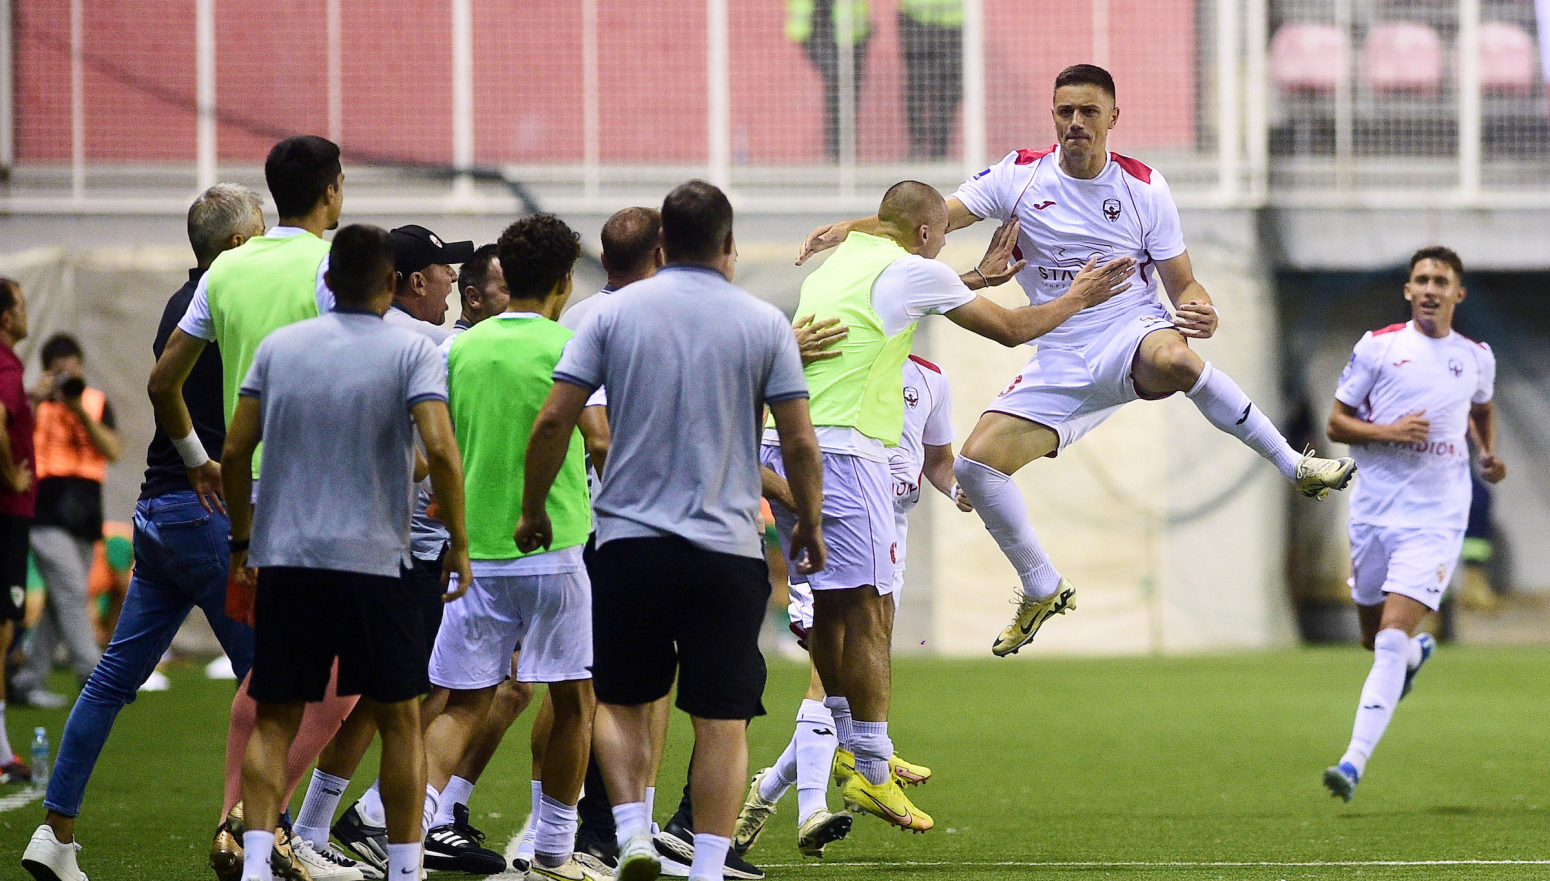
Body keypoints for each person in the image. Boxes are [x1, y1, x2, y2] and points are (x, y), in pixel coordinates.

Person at [798, 64, 1357, 660]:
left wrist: (1201, 308)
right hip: (1059, 353)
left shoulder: (1144, 188)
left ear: (1113, 116)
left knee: (1176, 357)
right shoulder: (1017, 177)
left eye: (1088, 111)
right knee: (977, 468)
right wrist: (849, 228)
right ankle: (1041, 585)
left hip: (1129, 331)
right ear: (1053, 116)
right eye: (1065, 111)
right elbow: (925, 219)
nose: (1075, 123)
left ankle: (1294, 464)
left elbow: (1185, 285)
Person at [765, 176, 1135, 834]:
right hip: (844, 452)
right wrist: (1079, 294)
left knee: (834, 608)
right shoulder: (913, 269)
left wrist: (978, 276)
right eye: (940, 235)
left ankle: (845, 751)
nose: (941, 246)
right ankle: (870, 766)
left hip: (782, 442)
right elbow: (1014, 329)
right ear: (925, 232)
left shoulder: (846, 257)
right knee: (872, 610)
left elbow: (908, 286)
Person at [517, 180, 827, 881]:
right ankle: (708, 865)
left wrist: (533, 508)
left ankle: (631, 830)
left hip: (629, 544)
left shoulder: (610, 316)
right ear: (729, 242)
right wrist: (808, 522)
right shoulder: (763, 323)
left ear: (662, 244)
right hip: (726, 548)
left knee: (620, 699)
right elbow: (801, 442)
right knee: (721, 718)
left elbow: (555, 419)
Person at [18, 184, 269, 881]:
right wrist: (204, 464)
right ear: (238, 245)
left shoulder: (177, 303)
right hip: (206, 512)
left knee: (107, 682)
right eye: (261, 232)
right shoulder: (229, 302)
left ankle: (55, 833)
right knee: (272, 681)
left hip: (158, 514)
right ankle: (252, 836)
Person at [221, 223, 470, 881]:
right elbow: (441, 451)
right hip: (376, 560)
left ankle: (255, 865)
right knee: (400, 721)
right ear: (391, 281)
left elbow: (235, 450)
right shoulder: (411, 350)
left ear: (328, 280)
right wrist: (459, 542)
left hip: (289, 557)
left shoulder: (280, 347)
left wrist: (242, 541)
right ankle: (406, 869)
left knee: (275, 718)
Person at [146, 134, 363, 881]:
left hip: (255, 492)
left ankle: (239, 828)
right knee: (344, 673)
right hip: (326, 490)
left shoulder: (227, 268)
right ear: (331, 190)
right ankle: (250, 822)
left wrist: (195, 458)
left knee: (274, 667)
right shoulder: (333, 268)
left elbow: (162, 382)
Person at [736, 353, 971, 858]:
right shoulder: (831, 362)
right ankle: (825, 800)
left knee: (847, 677)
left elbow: (938, 458)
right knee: (830, 676)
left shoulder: (931, 377)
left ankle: (772, 789)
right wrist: (802, 504)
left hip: (888, 537)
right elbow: (764, 446)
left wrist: (957, 488)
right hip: (833, 528)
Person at [422, 213, 596, 881]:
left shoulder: (457, 351)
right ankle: (554, 851)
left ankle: (407, 840)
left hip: (476, 553)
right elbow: (598, 438)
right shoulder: (572, 347)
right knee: (573, 698)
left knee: (462, 703)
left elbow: (433, 449)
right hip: (555, 544)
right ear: (563, 280)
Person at [1320, 247, 1505, 802]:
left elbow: (1482, 408)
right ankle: (1415, 655)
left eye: (1440, 281)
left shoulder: (1475, 357)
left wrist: (1487, 454)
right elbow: (1336, 424)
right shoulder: (1378, 348)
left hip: (1436, 518)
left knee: (1388, 640)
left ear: (1457, 294)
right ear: (1408, 290)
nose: (1429, 289)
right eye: (1421, 279)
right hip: (1374, 513)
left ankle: (1352, 762)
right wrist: (1391, 432)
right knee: (1373, 638)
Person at [12, 333, 121, 708]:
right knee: (72, 592)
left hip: (86, 516)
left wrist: (79, 411)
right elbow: (12, 438)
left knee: (60, 605)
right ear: (47, 372)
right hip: (44, 513)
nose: (67, 378)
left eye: (73, 370)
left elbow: (113, 450)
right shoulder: (33, 403)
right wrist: (35, 398)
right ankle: (94, 676)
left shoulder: (95, 402)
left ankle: (26, 681)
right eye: (59, 372)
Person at [0, 277, 34, 783]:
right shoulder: (7, 366)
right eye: (21, 306)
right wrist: (11, 476)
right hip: (7, 512)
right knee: (3, 628)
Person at [787, 0, 871, 161]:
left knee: (847, 89)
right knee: (836, 80)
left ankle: (843, 149)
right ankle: (835, 149)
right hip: (816, 32)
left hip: (851, 36)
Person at [898, 0, 962, 159]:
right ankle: (916, 146)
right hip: (916, 20)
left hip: (953, 22)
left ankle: (940, 150)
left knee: (949, 90)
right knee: (917, 86)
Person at [387, 224, 469, 344]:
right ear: (418, 283)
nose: (454, 276)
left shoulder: (383, 320)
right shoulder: (410, 331)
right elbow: (466, 347)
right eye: (445, 266)